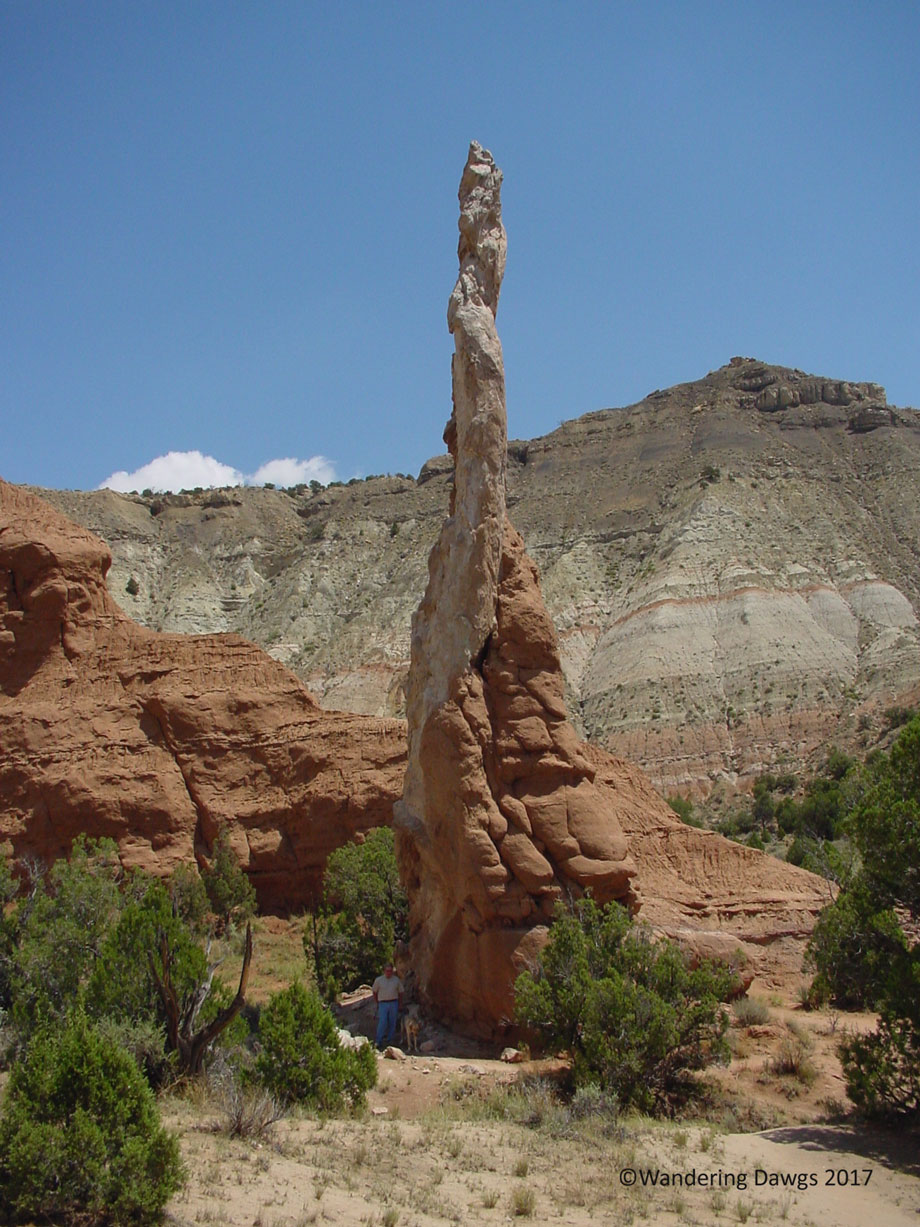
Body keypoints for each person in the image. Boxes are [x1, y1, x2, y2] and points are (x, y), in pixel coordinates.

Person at [372, 962, 403, 1050]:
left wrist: (400, 1004)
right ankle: (378, 1040)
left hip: (394, 1002)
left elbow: (401, 992)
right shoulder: (379, 980)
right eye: (387, 971)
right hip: (383, 1003)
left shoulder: (396, 980)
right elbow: (374, 991)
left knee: (393, 1021)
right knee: (383, 1021)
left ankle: (390, 1040)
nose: (389, 973)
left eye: (390, 971)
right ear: (384, 971)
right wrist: (377, 1002)